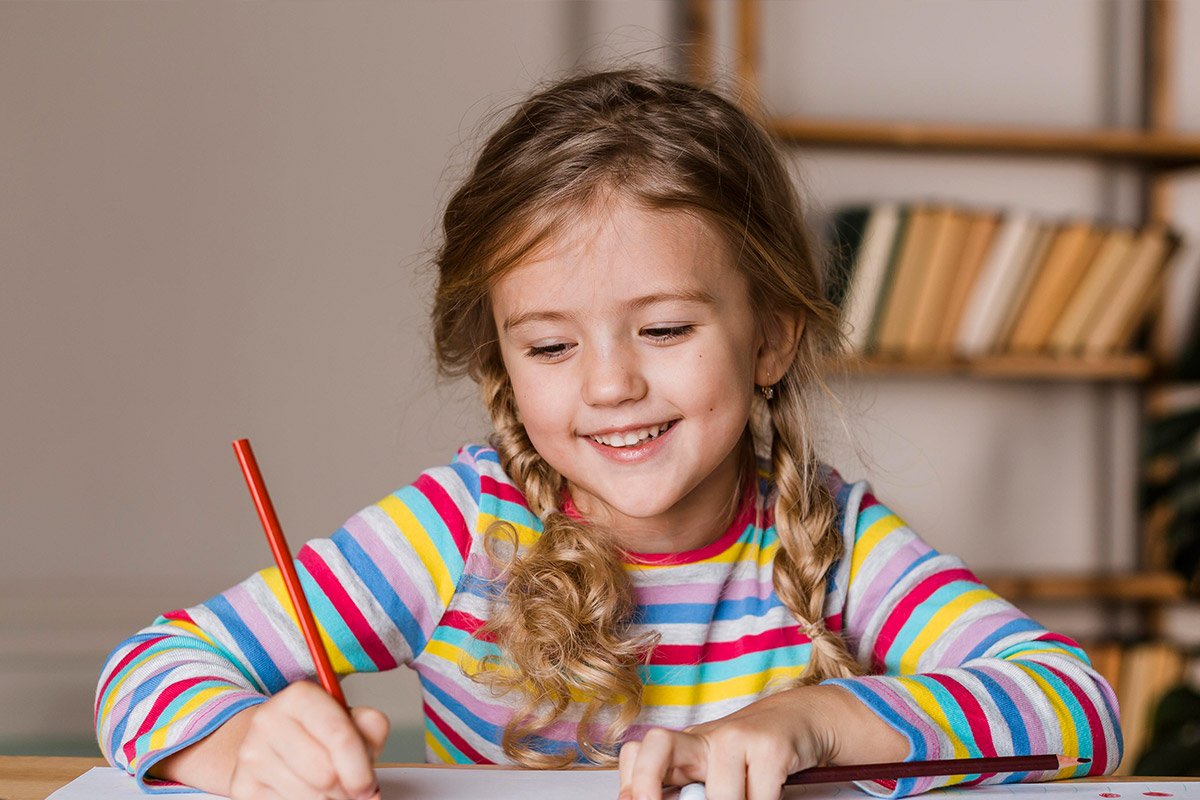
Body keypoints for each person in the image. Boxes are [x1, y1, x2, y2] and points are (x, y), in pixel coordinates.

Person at [95, 67, 1121, 800]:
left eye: (665, 329)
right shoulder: (457, 530)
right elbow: (149, 667)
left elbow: (1079, 709)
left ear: (770, 335)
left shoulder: (832, 536)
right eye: (550, 345)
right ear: (503, 361)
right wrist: (242, 747)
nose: (612, 384)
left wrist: (812, 722)